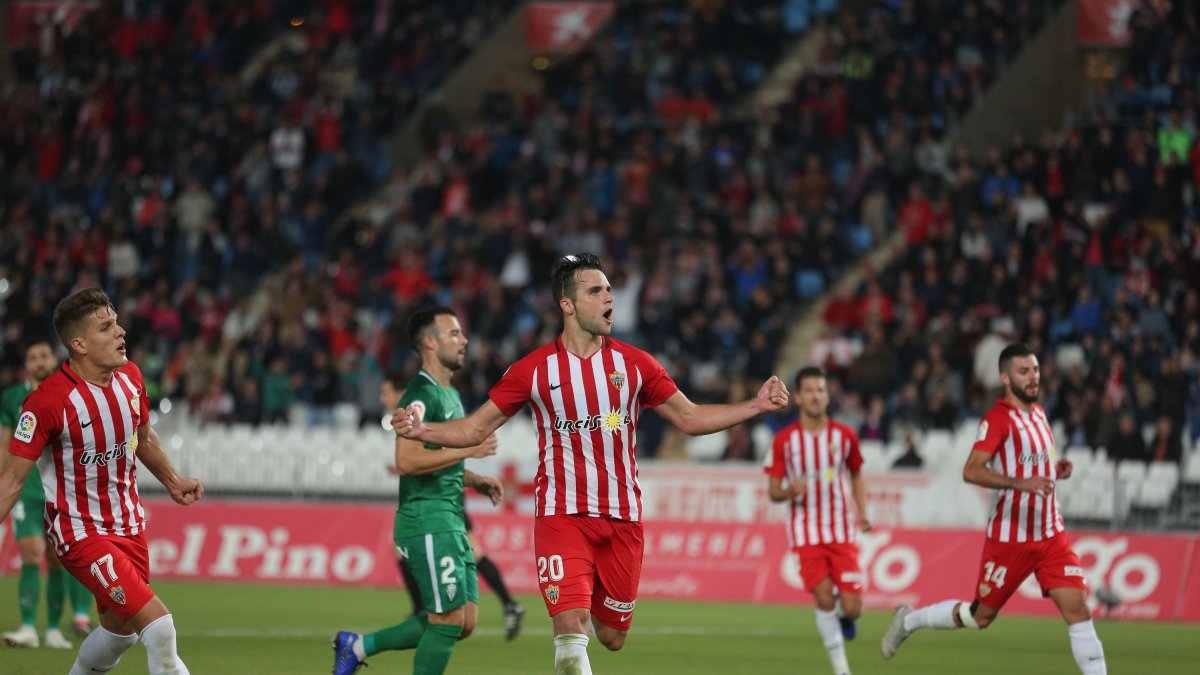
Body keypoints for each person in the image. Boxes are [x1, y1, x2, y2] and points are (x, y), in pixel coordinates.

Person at [391, 253, 791, 675]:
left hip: (622, 519)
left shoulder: (636, 365)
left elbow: (689, 418)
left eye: (610, 290)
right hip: (561, 515)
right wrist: (422, 431)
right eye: (595, 290)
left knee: (611, 637)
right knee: (568, 627)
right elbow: (474, 429)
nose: (609, 298)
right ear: (567, 304)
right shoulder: (533, 370)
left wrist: (756, 405)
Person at [0, 288, 204, 675]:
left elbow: (143, 439)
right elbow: (10, 480)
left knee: (119, 633)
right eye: (106, 327)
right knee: (160, 629)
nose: (121, 332)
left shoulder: (131, 377)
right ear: (78, 344)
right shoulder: (47, 403)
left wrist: (173, 480)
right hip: (79, 532)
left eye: (117, 322)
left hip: (129, 525)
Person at [881, 343, 1107, 674]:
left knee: (1078, 610)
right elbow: (971, 470)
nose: (1033, 377)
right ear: (1005, 377)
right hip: (1010, 538)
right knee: (978, 617)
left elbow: (1033, 465)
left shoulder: (1039, 413)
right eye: (1024, 371)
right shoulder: (998, 419)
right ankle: (909, 621)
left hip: (1050, 534)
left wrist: (1053, 470)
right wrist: (1019, 483)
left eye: (1035, 370)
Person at [333, 306, 505, 675]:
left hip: (450, 519)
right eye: (454, 333)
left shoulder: (451, 395)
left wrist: (474, 478)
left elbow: (437, 457)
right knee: (447, 620)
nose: (464, 340)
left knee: (466, 621)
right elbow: (408, 460)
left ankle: (357, 645)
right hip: (427, 518)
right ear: (430, 341)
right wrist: (469, 448)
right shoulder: (419, 395)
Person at [381, 371, 526, 638]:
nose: (383, 397)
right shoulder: (411, 418)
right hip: (434, 495)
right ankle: (506, 604)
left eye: (386, 391)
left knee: (473, 553)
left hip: (441, 497)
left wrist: (468, 454)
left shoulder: (420, 409)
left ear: (399, 392)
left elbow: (437, 456)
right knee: (462, 552)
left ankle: (507, 603)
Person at [764, 366, 869, 675]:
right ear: (797, 397)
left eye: (820, 390)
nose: (815, 396)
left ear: (827, 395)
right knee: (823, 598)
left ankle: (845, 617)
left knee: (853, 607)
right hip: (805, 530)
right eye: (808, 390)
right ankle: (841, 670)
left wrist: (862, 512)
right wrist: (788, 490)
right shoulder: (784, 441)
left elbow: (857, 473)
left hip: (840, 529)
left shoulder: (845, 435)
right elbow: (773, 492)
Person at [1, 338, 94, 649]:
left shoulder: (67, 393)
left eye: (43, 355)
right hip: (26, 490)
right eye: (33, 357)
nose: (39, 361)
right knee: (30, 552)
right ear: (26, 364)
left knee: (56, 559)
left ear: (52, 359)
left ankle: (53, 628)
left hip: (58, 490)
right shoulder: (13, 398)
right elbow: (5, 445)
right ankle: (28, 626)